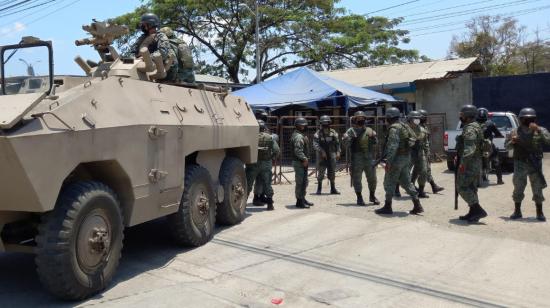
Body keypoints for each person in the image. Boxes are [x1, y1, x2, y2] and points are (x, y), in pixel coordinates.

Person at [375, 107, 423, 215]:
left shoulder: (394, 128)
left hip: (396, 159)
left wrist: (389, 162)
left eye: (386, 117)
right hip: (406, 158)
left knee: (389, 182)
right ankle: (417, 205)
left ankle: (388, 207)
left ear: (389, 117)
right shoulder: (404, 126)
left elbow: (392, 146)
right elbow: (414, 138)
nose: (385, 119)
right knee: (406, 182)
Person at [506, 108, 550, 221]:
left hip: (535, 163)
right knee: (518, 187)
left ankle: (539, 212)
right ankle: (517, 211)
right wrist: (513, 141)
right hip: (520, 163)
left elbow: (548, 141)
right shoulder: (514, 131)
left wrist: (539, 131)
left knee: (537, 187)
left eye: (531, 118)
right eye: (526, 118)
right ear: (521, 119)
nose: (528, 120)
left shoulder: (541, 130)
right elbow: (507, 146)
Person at [456, 105, 487, 223]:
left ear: (468, 116)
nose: (460, 117)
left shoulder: (470, 129)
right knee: (471, 188)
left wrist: (463, 164)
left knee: (462, 187)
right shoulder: (475, 126)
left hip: (470, 163)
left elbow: (469, 149)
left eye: (462, 115)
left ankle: (478, 210)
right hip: (475, 162)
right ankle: (473, 212)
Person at [342, 111, 379, 206]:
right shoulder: (351, 131)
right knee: (357, 179)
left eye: (362, 118)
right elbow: (345, 145)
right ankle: (359, 197)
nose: (360, 120)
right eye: (358, 118)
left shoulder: (369, 130)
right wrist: (350, 138)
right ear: (355, 119)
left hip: (369, 158)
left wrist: (374, 137)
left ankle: (372, 196)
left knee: (372, 179)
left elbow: (376, 143)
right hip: (357, 158)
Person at [245, 120, 280, 210]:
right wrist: (270, 157)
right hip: (266, 163)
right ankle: (270, 204)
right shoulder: (269, 137)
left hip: (252, 163)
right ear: (264, 127)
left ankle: (243, 205)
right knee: (267, 183)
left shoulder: (250, 137)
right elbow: (277, 151)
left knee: (248, 184)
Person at [133, 13, 178, 83]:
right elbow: (134, 52)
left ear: (151, 24)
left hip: (158, 70)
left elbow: (163, 52)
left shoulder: (161, 36)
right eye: (143, 25)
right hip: (142, 69)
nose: (143, 26)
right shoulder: (142, 38)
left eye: (145, 24)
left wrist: (145, 57)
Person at [418, 109, 445, 193]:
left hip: (425, 152)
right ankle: (430, 187)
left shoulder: (424, 126)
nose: (426, 118)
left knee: (425, 170)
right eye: (425, 117)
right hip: (419, 153)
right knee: (422, 171)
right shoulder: (418, 128)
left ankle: (432, 187)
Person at [313, 115, 341, 195]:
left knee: (332, 171)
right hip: (322, 156)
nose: (325, 124)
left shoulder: (333, 132)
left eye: (327, 122)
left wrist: (338, 151)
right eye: (323, 123)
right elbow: (315, 145)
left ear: (329, 123)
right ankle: (319, 189)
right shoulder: (318, 134)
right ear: (321, 123)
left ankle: (333, 189)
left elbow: (337, 143)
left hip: (332, 154)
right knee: (321, 171)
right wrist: (322, 151)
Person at [477, 107, 504, 185]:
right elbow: (498, 133)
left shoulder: (473, 124)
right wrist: (500, 136)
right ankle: (499, 180)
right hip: (488, 146)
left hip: (476, 146)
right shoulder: (490, 123)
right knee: (496, 160)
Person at [291, 118, 314, 208]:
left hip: (301, 161)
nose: (304, 126)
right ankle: (299, 201)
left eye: (304, 125)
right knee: (300, 182)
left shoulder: (299, 134)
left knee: (305, 181)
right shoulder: (298, 137)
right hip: (299, 162)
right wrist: (304, 159)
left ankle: (302, 198)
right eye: (302, 125)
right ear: (297, 126)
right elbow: (297, 151)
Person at [408, 111, 430, 198]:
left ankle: (421, 191)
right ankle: (397, 189)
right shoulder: (406, 130)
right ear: (410, 119)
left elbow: (426, 143)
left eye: (418, 118)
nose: (417, 120)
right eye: (415, 119)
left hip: (420, 153)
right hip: (408, 154)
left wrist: (427, 153)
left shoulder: (422, 130)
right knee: (404, 172)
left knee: (424, 172)